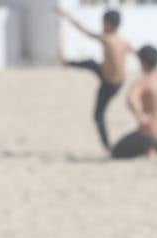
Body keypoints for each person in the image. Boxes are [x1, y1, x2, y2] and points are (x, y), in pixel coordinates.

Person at [57, 8, 134, 153]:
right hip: (118, 82)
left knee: (98, 115)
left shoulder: (106, 39)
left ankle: (107, 146)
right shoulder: (123, 41)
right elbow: (135, 53)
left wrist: (67, 17)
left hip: (109, 83)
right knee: (92, 63)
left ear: (109, 24)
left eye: (103, 23)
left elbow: (85, 31)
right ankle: (67, 63)